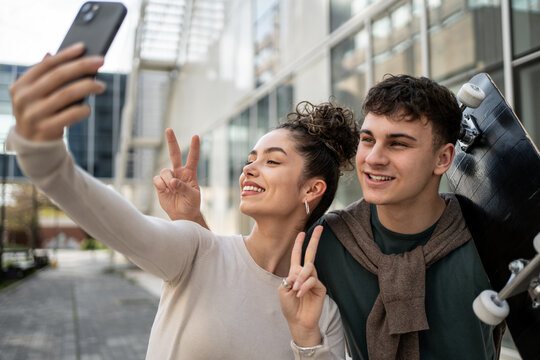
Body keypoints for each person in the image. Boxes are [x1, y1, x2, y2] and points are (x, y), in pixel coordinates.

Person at [7, 43, 362, 359]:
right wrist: (46, 158)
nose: (250, 169)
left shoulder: (320, 310)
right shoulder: (197, 248)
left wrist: (305, 339)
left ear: (311, 190)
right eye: (251, 159)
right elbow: (123, 225)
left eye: (272, 161)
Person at [158, 75, 501, 360]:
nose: (374, 159)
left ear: (443, 159)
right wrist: (192, 220)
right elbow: (241, 275)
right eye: (368, 140)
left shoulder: (488, 238)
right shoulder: (330, 241)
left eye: (398, 144)